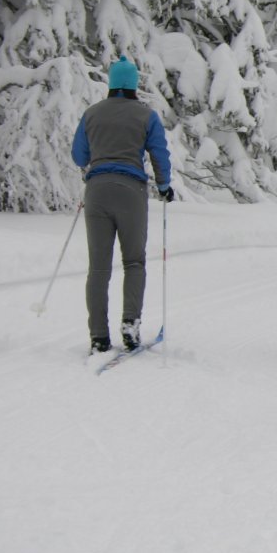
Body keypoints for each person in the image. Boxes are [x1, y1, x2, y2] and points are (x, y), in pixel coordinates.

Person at [71, 55, 173, 353]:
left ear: (112, 83)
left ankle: (98, 335)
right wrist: (164, 186)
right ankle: (130, 323)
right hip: (131, 191)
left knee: (99, 267)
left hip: (97, 191)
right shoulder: (146, 115)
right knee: (134, 261)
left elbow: (79, 156)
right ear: (133, 85)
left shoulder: (91, 114)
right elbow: (159, 153)